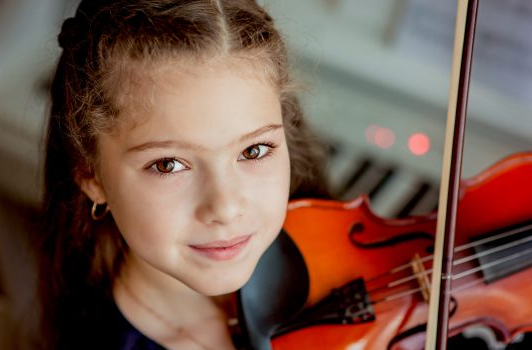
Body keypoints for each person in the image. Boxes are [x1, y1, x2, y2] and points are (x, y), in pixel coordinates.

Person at [36, 1, 328, 349]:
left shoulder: (325, 244)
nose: (225, 208)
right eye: (168, 165)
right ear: (91, 176)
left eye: (253, 150)